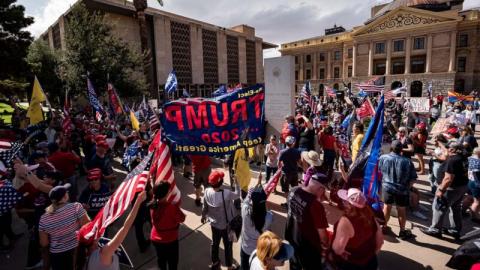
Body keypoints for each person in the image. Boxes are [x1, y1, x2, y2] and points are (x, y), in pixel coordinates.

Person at [78, 191, 147, 270]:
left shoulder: (82, 258)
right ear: (93, 239)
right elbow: (125, 228)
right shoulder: (104, 253)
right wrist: (138, 202)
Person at [421, 142, 469, 239]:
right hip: (461, 187)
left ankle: (435, 230)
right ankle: (455, 230)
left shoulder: (453, 160)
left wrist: (441, 190)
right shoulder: (463, 158)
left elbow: (448, 178)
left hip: (450, 189)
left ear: (453, 150)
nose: (446, 150)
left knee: (439, 207)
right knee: (455, 208)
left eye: (448, 148)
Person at [38, 184, 90, 270]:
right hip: (77, 250)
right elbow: (87, 227)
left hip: (57, 256)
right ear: (65, 196)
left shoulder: (43, 218)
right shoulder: (76, 207)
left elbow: (44, 243)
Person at [285, 172, 329, 270]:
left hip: (292, 237)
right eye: (324, 190)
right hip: (307, 247)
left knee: (294, 265)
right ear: (320, 189)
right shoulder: (316, 205)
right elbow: (323, 236)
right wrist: (326, 246)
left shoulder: (294, 189)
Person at [332, 188, 384, 270]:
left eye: (344, 200)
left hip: (352, 264)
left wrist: (340, 252)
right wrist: (370, 254)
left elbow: (337, 249)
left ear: (348, 203)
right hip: (371, 262)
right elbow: (380, 241)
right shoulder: (370, 216)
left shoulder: (346, 221)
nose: (343, 202)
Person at [201, 170, 240, 270]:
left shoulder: (206, 191)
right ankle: (230, 267)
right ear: (221, 182)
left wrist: (203, 216)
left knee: (215, 243)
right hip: (226, 226)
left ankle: (215, 262)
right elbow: (237, 194)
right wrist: (237, 182)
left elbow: (204, 207)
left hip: (214, 224)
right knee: (228, 246)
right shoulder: (226, 193)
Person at [378, 140, 417, 240]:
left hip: (387, 187)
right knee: (402, 210)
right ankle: (402, 231)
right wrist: (408, 188)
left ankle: (383, 226)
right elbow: (413, 179)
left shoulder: (383, 158)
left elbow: (379, 172)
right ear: (401, 150)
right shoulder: (408, 161)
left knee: (386, 208)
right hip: (402, 189)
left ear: (391, 148)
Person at [149, 181, 186, 270]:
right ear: (166, 193)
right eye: (169, 190)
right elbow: (182, 218)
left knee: (161, 261)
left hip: (156, 238)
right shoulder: (171, 207)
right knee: (172, 263)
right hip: (169, 240)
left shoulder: (152, 205)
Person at [240, 188, 273, 270]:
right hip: (258, 251)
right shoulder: (269, 217)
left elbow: (245, 201)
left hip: (245, 248)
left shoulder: (245, 210)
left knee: (244, 267)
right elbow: (267, 211)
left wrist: (249, 194)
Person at [278, 136, 301, 203]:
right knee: (294, 189)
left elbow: (278, 163)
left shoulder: (282, 152)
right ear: (293, 143)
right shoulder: (297, 151)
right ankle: (293, 202)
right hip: (294, 173)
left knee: (286, 189)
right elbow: (299, 163)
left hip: (285, 174)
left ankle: (288, 203)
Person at [467, 147, 480, 222]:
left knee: (469, 197)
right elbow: (477, 175)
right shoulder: (478, 162)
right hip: (476, 183)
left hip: (470, 181)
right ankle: (474, 217)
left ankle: (463, 211)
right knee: (477, 202)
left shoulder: (469, 158)